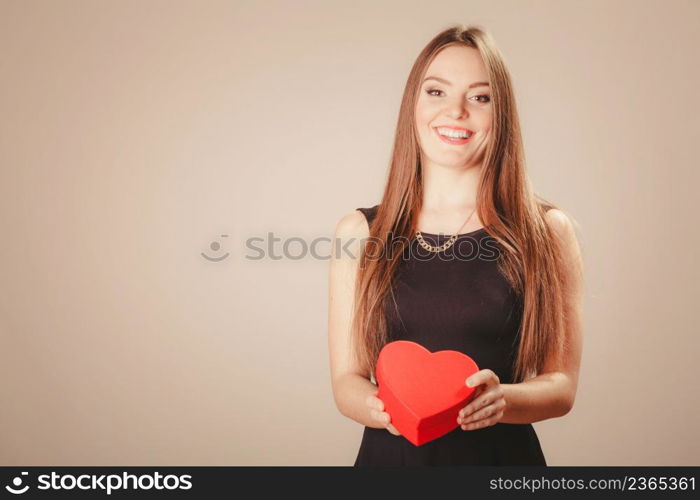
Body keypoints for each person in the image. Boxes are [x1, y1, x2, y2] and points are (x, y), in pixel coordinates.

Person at [327, 25, 584, 465]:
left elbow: (561, 385)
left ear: (501, 114)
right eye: (436, 92)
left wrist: (503, 399)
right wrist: (379, 408)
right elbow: (346, 380)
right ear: (413, 103)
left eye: (480, 97)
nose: (457, 111)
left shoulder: (547, 231)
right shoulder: (359, 233)